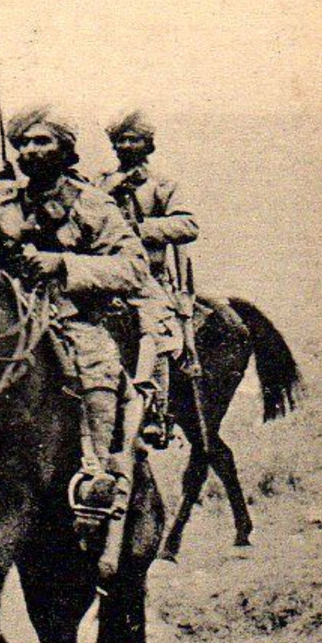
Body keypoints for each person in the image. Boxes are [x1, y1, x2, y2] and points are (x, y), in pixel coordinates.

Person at [0, 106, 150, 511]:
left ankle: (98, 472)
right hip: (11, 321)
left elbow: (134, 268)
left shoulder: (92, 204)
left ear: (65, 150)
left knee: (97, 361)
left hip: (71, 319)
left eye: (42, 141)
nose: (30, 150)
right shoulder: (6, 205)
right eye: (24, 143)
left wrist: (64, 264)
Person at [100, 110, 196, 446]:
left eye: (134, 140)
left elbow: (187, 225)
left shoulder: (163, 186)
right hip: (105, 273)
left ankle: (154, 409)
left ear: (147, 145)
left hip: (148, 277)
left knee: (152, 327)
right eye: (121, 140)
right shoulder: (100, 184)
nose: (126, 146)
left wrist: (139, 231)